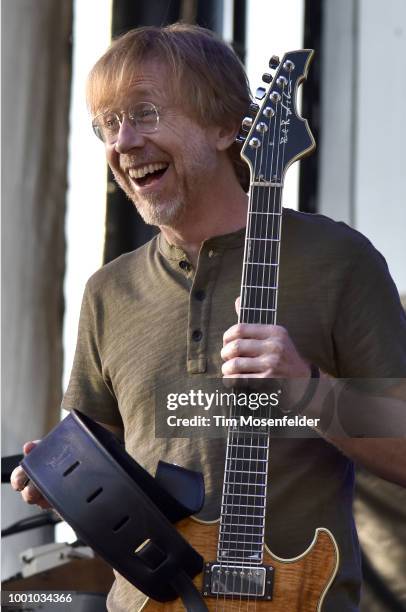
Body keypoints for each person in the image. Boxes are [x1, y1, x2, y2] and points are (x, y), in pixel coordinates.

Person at [11, 23, 406, 612]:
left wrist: (309, 392)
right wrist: (63, 482)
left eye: (145, 113)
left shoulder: (338, 262)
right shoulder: (108, 292)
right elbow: (112, 464)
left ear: (227, 127)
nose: (124, 143)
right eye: (108, 125)